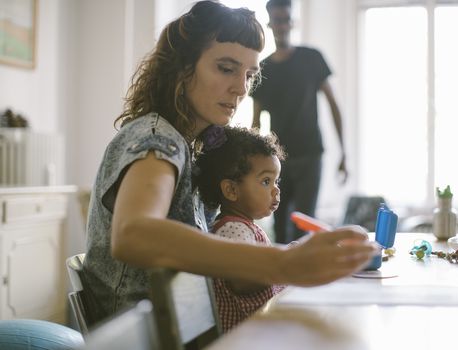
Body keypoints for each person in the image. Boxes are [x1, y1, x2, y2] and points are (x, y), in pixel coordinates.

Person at [82, 0, 377, 323]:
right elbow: (133, 235)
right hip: (142, 337)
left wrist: (292, 257)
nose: (240, 88)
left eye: (249, 74)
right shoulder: (158, 139)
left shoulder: (189, 147)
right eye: (226, 68)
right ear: (183, 68)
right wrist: (281, 263)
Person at [251, 0, 348, 244]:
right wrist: (253, 164)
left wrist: (344, 153)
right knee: (279, 225)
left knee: (305, 224)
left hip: (310, 154)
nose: (281, 25)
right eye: (276, 20)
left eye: (285, 19)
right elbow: (255, 122)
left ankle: (304, 281)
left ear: (292, 22)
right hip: (277, 160)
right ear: (269, 23)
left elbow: (333, 105)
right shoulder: (263, 69)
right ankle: (281, 283)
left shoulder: (311, 58)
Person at [194, 126, 287, 332]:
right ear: (232, 190)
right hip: (243, 338)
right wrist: (287, 266)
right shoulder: (232, 229)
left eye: (276, 181)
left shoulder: (245, 227)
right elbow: (245, 280)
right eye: (266, 181)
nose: (276, 189)